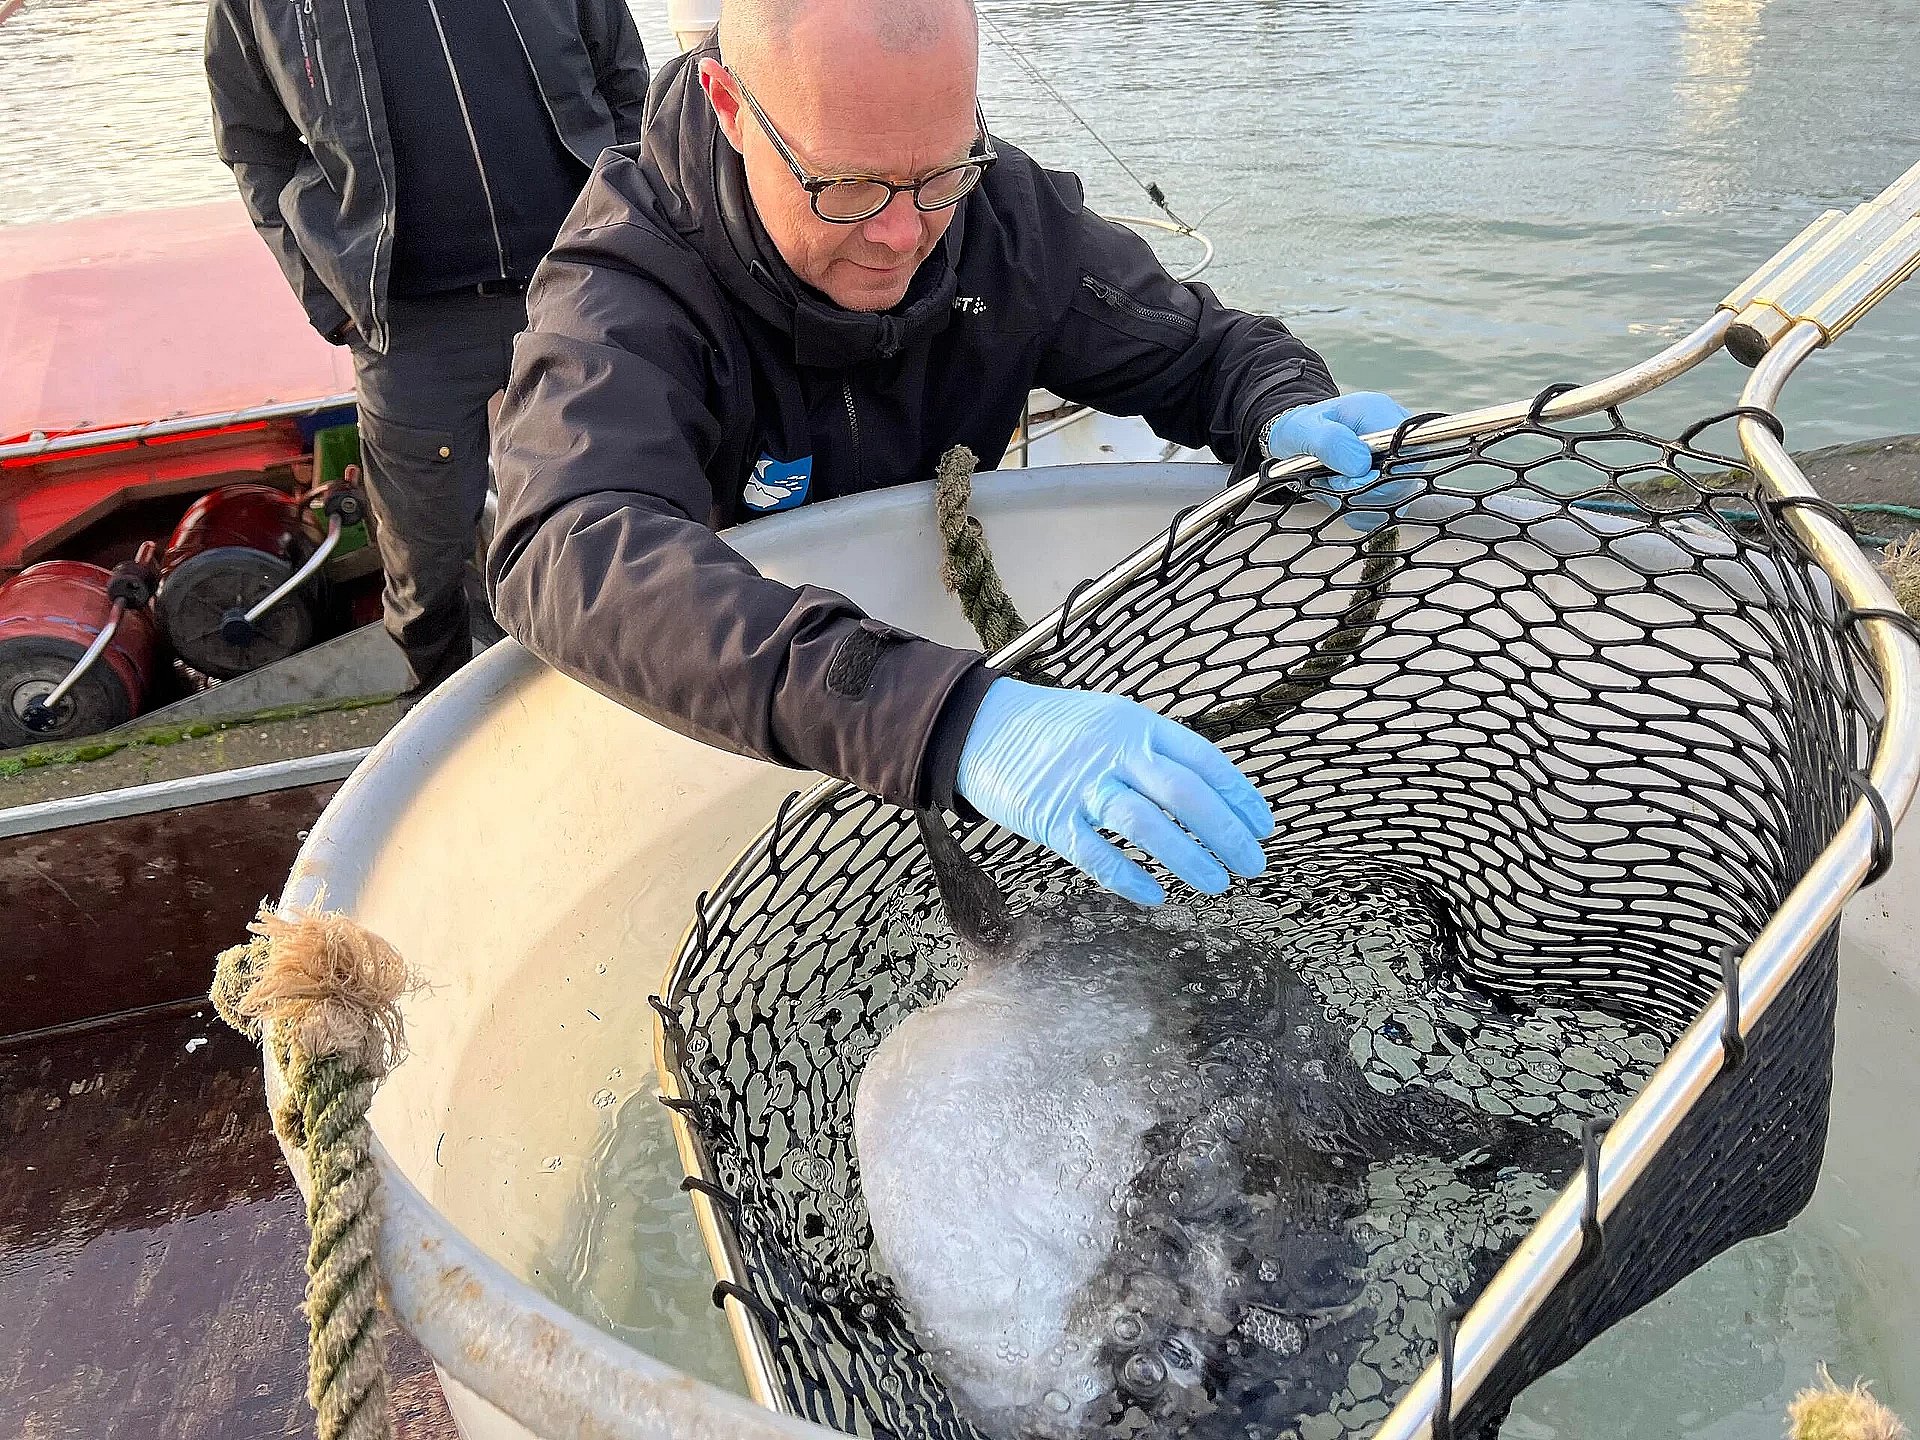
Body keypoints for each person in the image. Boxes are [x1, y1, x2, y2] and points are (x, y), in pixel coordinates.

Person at [490, 0, 1413, 905]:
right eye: (844, 187)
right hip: (731, 703)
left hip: (932, 666)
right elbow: (565, 545)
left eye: (940, 175)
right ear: (732, 109)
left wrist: (1281, 405)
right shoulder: (626, 283)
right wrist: (952, 724)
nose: (901, 235)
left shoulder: (1005, 217)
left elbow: (1210, 350)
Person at [205, 0, 650, 703]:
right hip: (405, 322)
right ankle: (441, 717)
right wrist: (326, 292)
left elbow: (623, 76)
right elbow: (252, 142)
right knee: (424, 561)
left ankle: (634, 702)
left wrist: (629, 221)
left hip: (575, 281)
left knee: (626, 511)